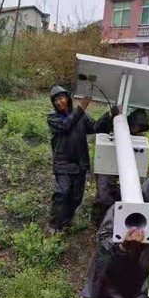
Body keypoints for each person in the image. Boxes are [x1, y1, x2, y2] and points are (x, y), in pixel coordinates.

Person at [47, 85, 118, 233]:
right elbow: (66, 126)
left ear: (67, 98)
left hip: (80, 163)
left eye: (61, 98)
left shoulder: (79, 114)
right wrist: (81, 109)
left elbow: (94, 127)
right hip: (63, 163)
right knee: (62, 194)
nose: (59, 102)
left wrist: (108, 116)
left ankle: (65, 222)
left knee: (76, 197)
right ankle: (53, 226)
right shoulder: (52, 117)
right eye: (55, 100)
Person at [90, 108, 149, 227]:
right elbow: (97, 128)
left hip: (128, 170)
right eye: (135, 127)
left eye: (140, 128)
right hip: (107, 164)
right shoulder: (114, 124)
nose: (136, 130)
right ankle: (96, 222)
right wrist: (109, 115)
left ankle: (114, 223)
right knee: (104, 196)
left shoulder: (139, 136)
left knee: (121, 197)